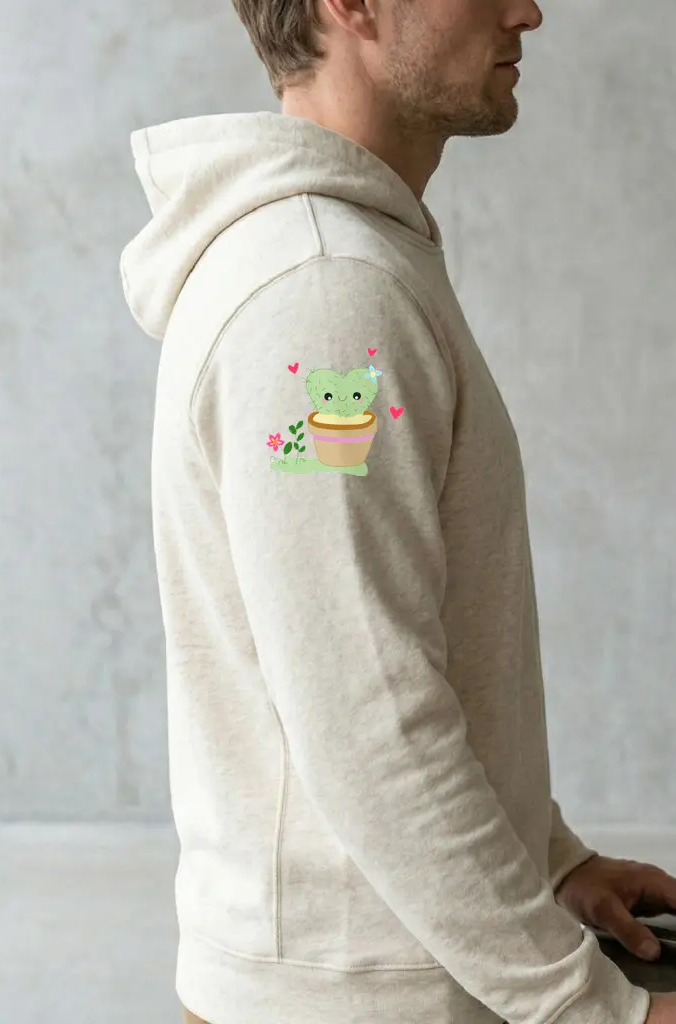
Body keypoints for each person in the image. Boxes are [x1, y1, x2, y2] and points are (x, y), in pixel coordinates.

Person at [119, 0, 676, 1022]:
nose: (527, 11)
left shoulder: (347, 260)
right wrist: (594, 1008)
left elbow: (386, 654)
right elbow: (368, 720)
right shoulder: (324, 295)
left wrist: (548, 860)